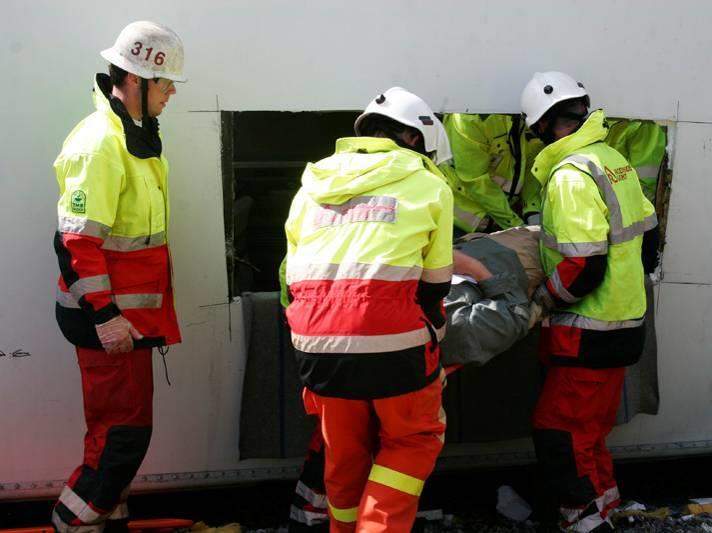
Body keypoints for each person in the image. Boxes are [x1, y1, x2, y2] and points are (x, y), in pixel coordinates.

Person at [287, 226, 540, 531]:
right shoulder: (479, 310)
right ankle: (324, 517)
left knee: (344, 447)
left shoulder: (325, 204)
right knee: (403, 449)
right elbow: (512, 317)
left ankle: (315, 517)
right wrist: (474, 269)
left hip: (338, 336)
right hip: (402, 345)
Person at [284, 87, 454, 532]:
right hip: (392, 346)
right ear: (416, 140)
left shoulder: (311, 185)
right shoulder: (428, 183)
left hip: (315, 345)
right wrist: (434, 328)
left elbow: (291, 276)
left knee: (344, 448)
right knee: (413, 440)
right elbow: (435, 285)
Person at [52, 21, 186, 533]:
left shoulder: (133, 138)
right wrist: (106, 317)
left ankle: (110, 521)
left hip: (130, 320)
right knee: (120, 437)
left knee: (118, 434)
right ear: (136, 78)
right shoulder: (101, 144)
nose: (172, 91)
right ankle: (74, 522)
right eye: (167, 81)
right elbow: (76, 242)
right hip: (112, 323)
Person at [521, 71, 659, 532]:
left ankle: (582, 520)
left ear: (543, 126)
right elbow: (650, 238)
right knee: (590, 432)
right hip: (625, 322)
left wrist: (540, 299)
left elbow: (584, 268)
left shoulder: (571, 174)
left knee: (558, 430)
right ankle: (606, 503)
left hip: (585, 329)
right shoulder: (611, 159)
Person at [439, 113, 545, 233]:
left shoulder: (526, 114)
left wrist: (532, 210)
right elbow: (476, 179)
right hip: (460, 217)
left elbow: (532, 164)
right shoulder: (469, 118)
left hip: (502, 213)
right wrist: (514, 224)